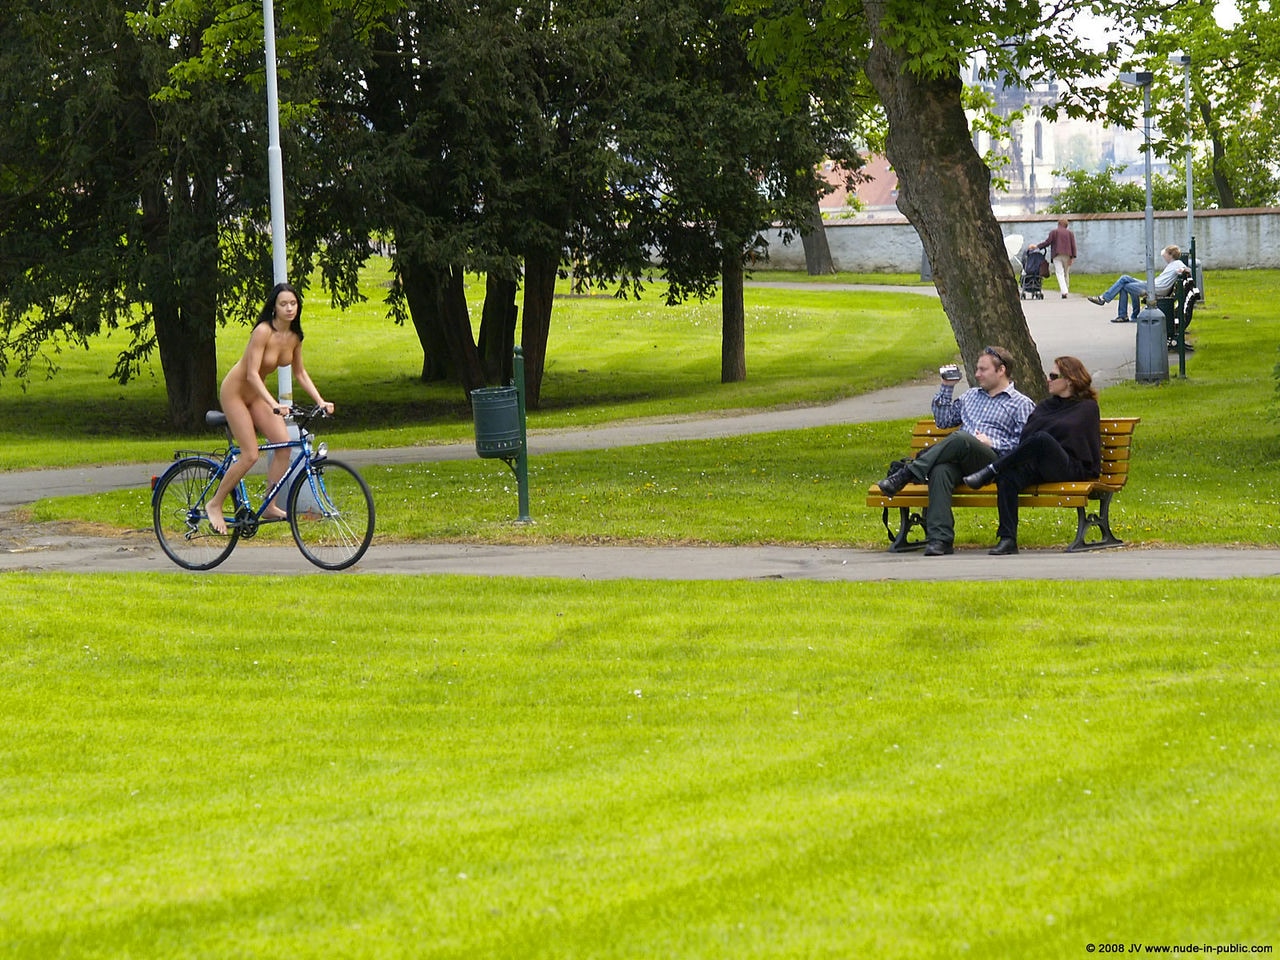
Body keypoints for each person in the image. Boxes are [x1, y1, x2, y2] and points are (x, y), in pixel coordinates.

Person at [876, 346, 1035, 556]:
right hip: (962, 460)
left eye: (983, 369)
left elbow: (1026, 446)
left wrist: (992, 442)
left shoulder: (1021, 404)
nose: (977, 374)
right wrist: (946, 386)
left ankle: (907, 473)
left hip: (993, 463)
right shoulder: (971, 396)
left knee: (962, 438)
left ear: (1001, 370)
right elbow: (943, 422)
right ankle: (940, 539)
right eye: (977, 369)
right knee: (940, 470)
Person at [204, 283, 333, 534]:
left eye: (293, 303)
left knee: (284, 445)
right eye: (283, 304)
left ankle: (270, 505)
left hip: (256, 395)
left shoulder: (294, 337)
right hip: (235, 393)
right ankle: (215, 503)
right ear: (274, 307)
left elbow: (300, 373)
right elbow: (252, 374)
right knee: (250, 455)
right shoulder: (263, 331)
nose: (289, 308)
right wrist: (274, 404)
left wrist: (320, 401)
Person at [961, 356, 1102, 556]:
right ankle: (1007, 539)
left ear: (1070, 380)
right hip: (1042, 466)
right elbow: (1027, 437)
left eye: (1053, 376)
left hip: (1072, 467)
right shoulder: (1046, 406)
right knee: (1007, 477)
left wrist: (1046, 437)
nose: (1048, 379)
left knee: (1042, 439)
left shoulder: (1087, 407)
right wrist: (1044, 438)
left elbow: (1062, 435)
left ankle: (991, 470)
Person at [1087, 244, 1191, 323]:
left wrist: (1183, 270)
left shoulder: (1177, 263)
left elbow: (1186, 269)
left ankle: (1115, 307)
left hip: (1155, 288)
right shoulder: (1173, 264)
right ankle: (1124, 312)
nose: (1164, 258)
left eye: (1166, 255)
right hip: (1153, 285)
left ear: (1170, 255)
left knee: (1124, 285)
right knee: (1124, 278)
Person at [1030, 218, 1077, 298]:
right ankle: (1066, 289)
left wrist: (1037, 247)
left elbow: (1047, 242)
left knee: (1059, 273)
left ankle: (1064, 291)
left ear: (1058, 224)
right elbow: (1073, 246)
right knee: (1066, 273)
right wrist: (1073, 257)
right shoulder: (1070, 233)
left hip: (1057, 255)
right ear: (1066, 225)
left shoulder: (1054, 232)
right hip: (1068, 255)